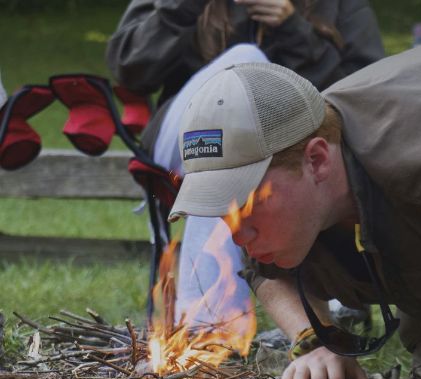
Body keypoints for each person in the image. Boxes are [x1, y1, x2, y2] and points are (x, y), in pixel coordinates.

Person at [167, 42, 421, 379]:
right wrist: (316, 339)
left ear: (317, 160)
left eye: (246, 205)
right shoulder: (301, 150)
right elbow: (266, 271)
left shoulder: (419, 171)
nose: (237, 236)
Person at [106, 0, 384, 329]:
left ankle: (211, 326)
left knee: (246, 176)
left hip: (286, 148)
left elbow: (361, 94)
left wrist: (292, 28)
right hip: (186, 137)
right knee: (245, 62)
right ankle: (209, 323)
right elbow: (129, 67)